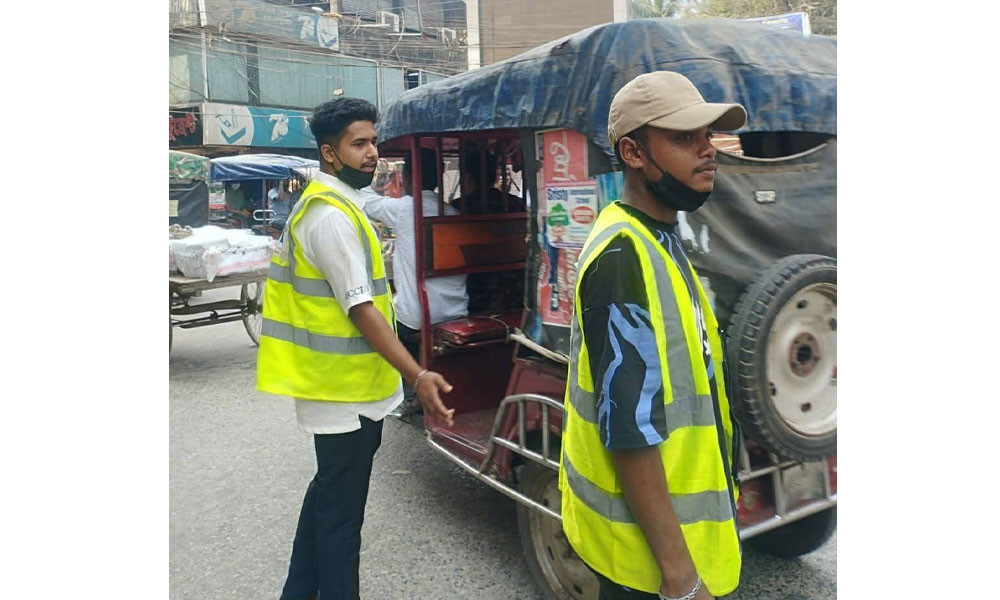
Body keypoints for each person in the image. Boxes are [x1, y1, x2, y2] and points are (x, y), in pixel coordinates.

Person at [256, 97, 456, 600]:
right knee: (342, 520)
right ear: (329, 152)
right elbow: (361, 308)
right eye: (359, 144)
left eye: (373, 142)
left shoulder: (341, 205)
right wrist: (417, 374)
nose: (372, 154)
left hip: (349, 391)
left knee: (328, 496)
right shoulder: (330, 217)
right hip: (341, 396)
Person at [559, 71, 747, 600]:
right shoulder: (623, 256)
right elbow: (629, 428)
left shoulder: (657, 238)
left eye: (708, 136)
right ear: (634, 153)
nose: (707, 151)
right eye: (685, 138)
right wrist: (681, 579)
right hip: (645, 566)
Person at [359, 150, 469, 411]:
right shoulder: (452, 212)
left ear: (407, 178)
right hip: (457, 308)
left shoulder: (407, 208)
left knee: (374, 325)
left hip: (421, 315)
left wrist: (362, 169)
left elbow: (367, 201)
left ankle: (403, 392)